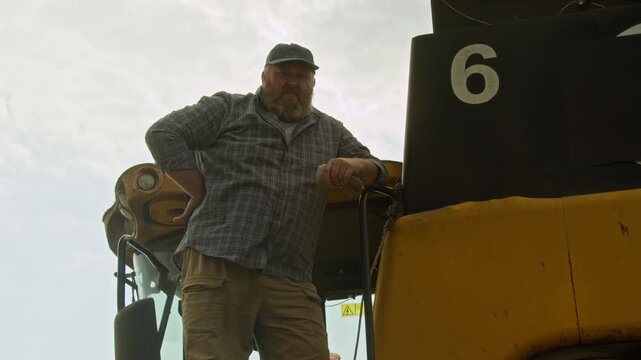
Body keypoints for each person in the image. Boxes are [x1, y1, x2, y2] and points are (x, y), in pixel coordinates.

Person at [145, 42, 387, 360]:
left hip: (290, 275)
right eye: (283, 73)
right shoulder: (226, 109)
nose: (292, 82)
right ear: (264, 76)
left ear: (312, 84)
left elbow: (378, 171)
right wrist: (200, 191)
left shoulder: (331, 131)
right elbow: (164, 133)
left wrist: (356, 166)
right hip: (219, 262)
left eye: (301, 76)